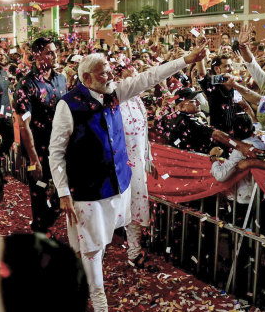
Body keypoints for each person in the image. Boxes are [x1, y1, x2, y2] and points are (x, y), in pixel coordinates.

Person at [48, 42, 207, 312]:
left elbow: (150, 77)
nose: (111, 77)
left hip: (117, 184)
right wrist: (63, 192)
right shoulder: (68, 105)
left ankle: (80, 274)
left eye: (110, 71)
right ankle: (99, 300)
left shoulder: (115, 93)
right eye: (103, 74)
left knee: (96, 240)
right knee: (93, 247)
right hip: (86, 190)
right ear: (86, 79)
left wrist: (185, 60)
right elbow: (56, 151)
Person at [14, 37, 67, 233]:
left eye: (55, 51)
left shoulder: (62, 79)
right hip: (37, 150)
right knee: (39, 189)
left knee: (62, 189)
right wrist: (34, 159)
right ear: (36, 56)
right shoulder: (26, 85)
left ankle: (44, 221)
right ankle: (39, 229)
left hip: (60, 147)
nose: (54, 55)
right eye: (48, 52)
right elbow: (24, 125)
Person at [115, 64, 157, 267]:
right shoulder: (113, 102)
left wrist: (148, 159)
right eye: (132, 74)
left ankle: (134, 252)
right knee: (109, 210)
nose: (137, 77)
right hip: (116, 168)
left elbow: (144, 134)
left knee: (136, 209)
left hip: (137, 168)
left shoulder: (138, 102)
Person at [209, 113, 265, 203]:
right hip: (264, 194)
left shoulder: (241, 150)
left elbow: (221, 176)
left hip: (246, 200)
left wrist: (213, 157)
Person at [158, 87, 215, 154]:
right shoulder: (177, 120)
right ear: (182, 106)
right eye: (193, 100)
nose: (199, 103)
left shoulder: (199, 114)